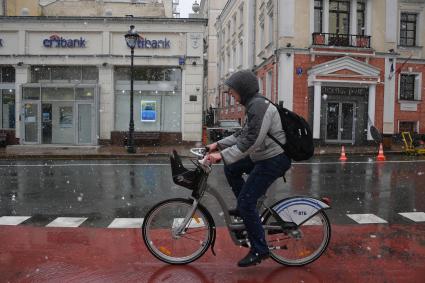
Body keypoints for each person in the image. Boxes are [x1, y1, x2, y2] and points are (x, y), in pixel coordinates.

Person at [206, 70, 291, 267]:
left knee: (246, 203)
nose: (232, 96)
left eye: (233, 92)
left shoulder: (259, 107)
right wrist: (217, 146)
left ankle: (260, 249)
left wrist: (222, 155)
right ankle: (248, 204)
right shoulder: (253, 105)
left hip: (274, 159)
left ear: (243, 90)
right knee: (232, 169)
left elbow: (251, 141)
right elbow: (242, 135)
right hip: (264, 156)